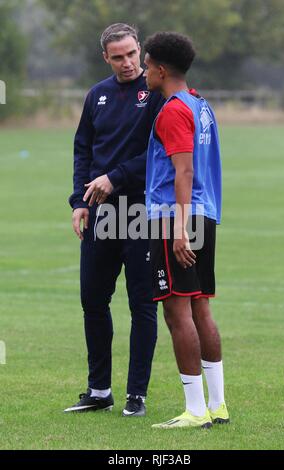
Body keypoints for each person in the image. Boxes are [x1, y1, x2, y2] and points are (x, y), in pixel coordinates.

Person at [65, 23, 164, 416]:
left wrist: (116, 177)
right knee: (93, 300)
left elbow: (160, 154)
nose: (127, 62)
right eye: (118, 56)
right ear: (105, 58)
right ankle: (99, 390)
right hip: (101, 214)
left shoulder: (156, 94)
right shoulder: (97, 95)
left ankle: (135, 395)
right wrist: (79, 201)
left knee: (142, 305)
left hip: (140, 211)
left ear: (141, 50)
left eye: (132, 54)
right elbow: (82, 150)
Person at [143, 32, 229, 428]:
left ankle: (195, 412)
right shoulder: (202, 104)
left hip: (176, 218)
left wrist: (178, 229)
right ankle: (217, 405)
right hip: (205, 214)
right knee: (200, 307)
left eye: (146, 65)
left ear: (161, 70)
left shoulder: (174, 110)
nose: (143, 72)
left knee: (177, 312)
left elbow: (184, 171)